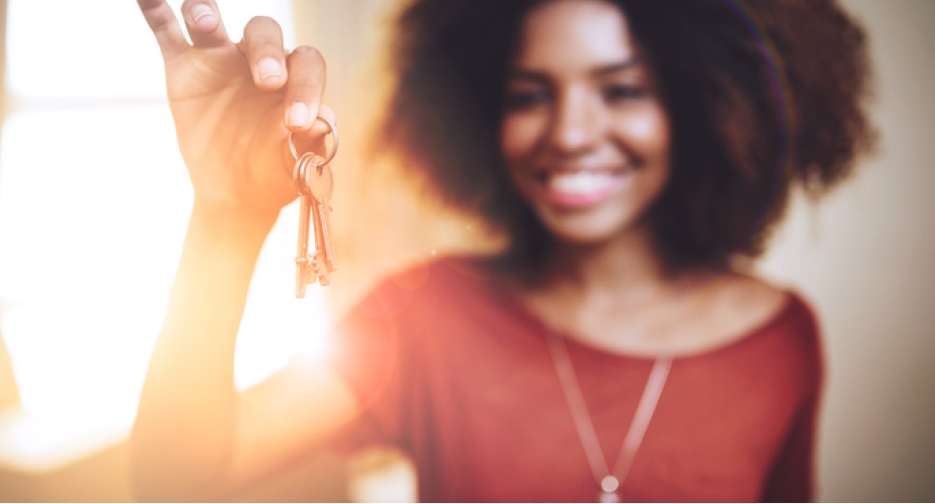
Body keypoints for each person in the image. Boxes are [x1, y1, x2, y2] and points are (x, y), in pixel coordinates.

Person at [131, 0, 874, 501]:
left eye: (621, 91)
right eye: (530, 95)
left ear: (704, 104)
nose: (572, 132)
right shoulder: (424, 318)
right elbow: (178, 480)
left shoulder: (779, 341)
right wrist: (226, 218)